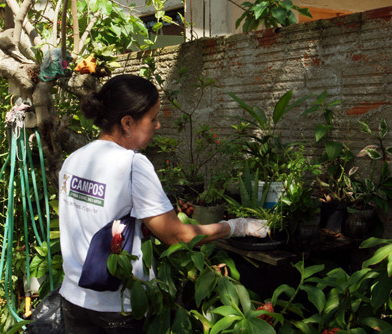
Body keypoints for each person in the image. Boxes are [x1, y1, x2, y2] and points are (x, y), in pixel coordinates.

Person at [58, 74, 268, 333]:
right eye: (153, 118)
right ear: (127, 122)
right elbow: (177, 236)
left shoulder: (75, 160)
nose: (158, 125)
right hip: (116, 309)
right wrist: (237, 226)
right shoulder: (132, 164)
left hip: (73, 300)